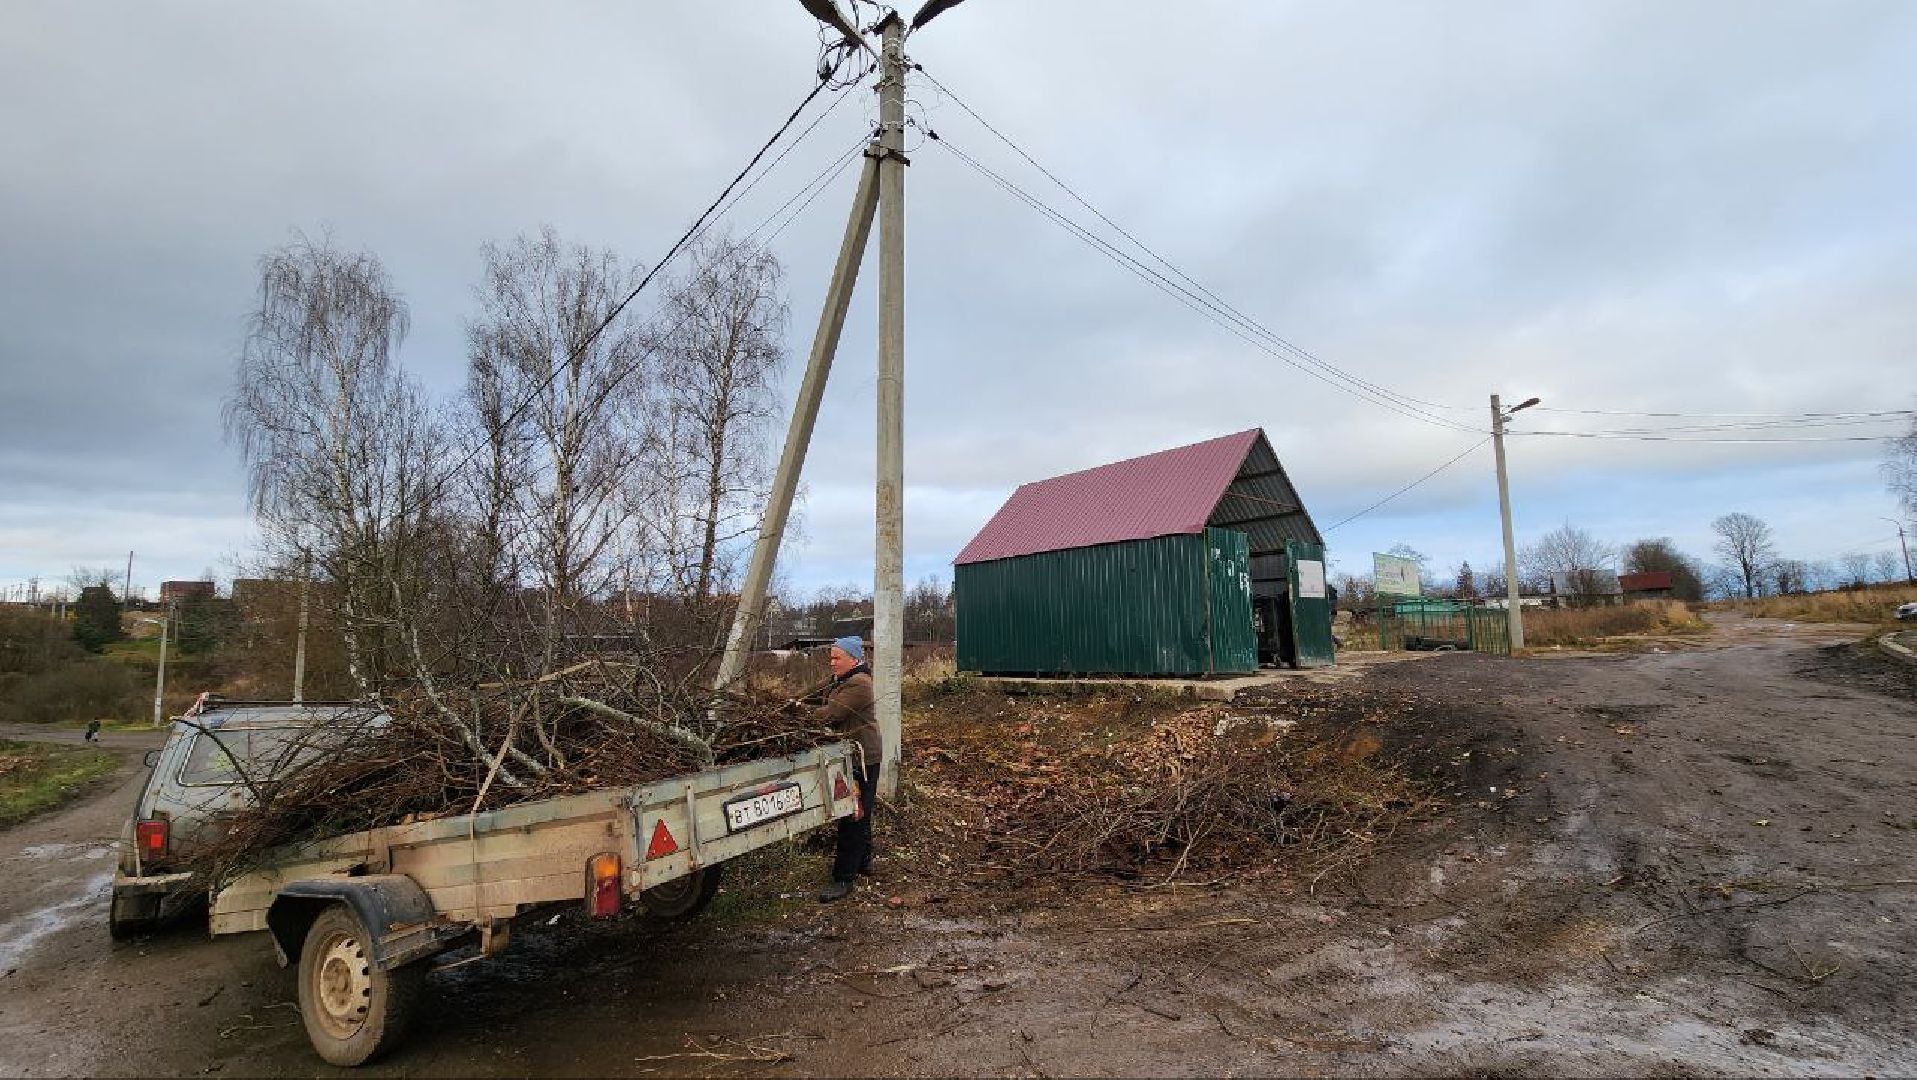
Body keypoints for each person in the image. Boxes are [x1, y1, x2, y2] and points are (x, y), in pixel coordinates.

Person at [813, 635, 878, 902]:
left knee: (853, 813)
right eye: (831, 657)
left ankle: (844, 878)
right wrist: (788, 702)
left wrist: (795, 713)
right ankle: (863, 861)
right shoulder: (841, 680)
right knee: (861, 809)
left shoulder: (860, 684)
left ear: (853, 659)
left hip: (863, 756)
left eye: (836, 657)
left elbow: (832, 713)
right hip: (849, 753)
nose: (832, 662)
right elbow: (813, 694)